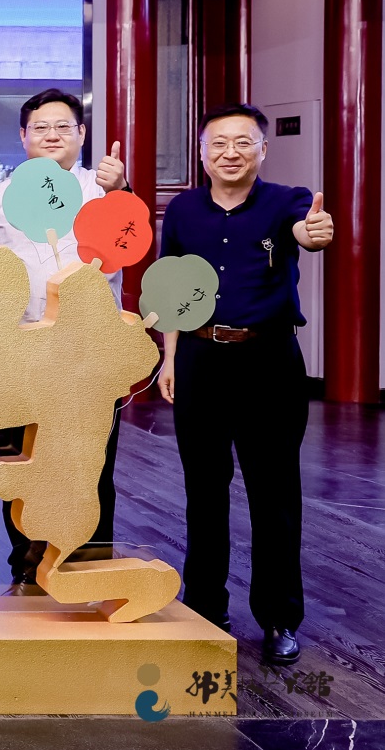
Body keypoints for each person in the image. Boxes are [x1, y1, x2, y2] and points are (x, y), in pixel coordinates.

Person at [158, 103, 332, 665]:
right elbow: (172, 290)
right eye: (218, 143)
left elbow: (309, 232)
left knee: (274, 493)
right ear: (202, 152)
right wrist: (169, 359)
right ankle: (205, 608)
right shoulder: (183, 209)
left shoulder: (287, 201)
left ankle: (279, 617)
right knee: (203, 490)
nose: (230, 153)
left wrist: (313, 233)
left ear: (262, 149)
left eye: (243, 142)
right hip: (200, 358)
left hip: (268, 361)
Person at [0, 88, 127, 593]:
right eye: (40, 127)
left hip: (90, 355)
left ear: (81, 133)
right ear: (23, 136)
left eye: (63, 126)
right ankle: (27, 569)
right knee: (20, 462)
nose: (52, 135)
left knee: (89, 466)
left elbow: (132, 242)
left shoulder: (104, 192)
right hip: (18, 352)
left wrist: (123, 189)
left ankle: (86, 570)